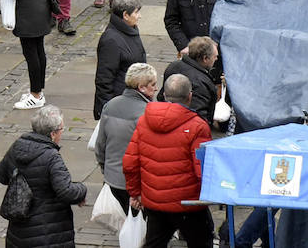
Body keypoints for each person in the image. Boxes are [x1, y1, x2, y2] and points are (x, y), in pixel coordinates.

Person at [123, 73, 214, 248]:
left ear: (164, 95)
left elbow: (130, 163)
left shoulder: (144, 121)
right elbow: (203, 169)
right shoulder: (198, 126)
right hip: (188, 204)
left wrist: (135, 192)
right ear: (190, 96)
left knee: (154, 243)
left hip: (155, 201)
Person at [0, 105, 87, 247]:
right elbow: (67, 192)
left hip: (19, 231)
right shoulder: (51, 157)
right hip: (49, 233)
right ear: (52, 134)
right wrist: (82, 190)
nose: (62, 133)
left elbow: (0, 175)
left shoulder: (18, 145)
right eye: (62, 129)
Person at [94, 62, 158, 213]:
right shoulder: (149, 112)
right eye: (153, 84)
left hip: (112, 179)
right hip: (137, 183)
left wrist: (105, 169)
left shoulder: (110, 105)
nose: (156, 88)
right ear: (142, 87)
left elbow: (100, 145)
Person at [93, 0, 146, 120]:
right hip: (120, 107)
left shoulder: (130, 29)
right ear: (125, 15)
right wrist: (106, 111)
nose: (140, 16)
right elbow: (104, 79)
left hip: (133, 100)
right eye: (136, 12)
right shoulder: (111, 40)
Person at [162, 36, 222, 128]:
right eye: (215, 57)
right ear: (205, 58)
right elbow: (198, 117)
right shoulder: (201, 83)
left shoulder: (174, 66)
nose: (216, 59)